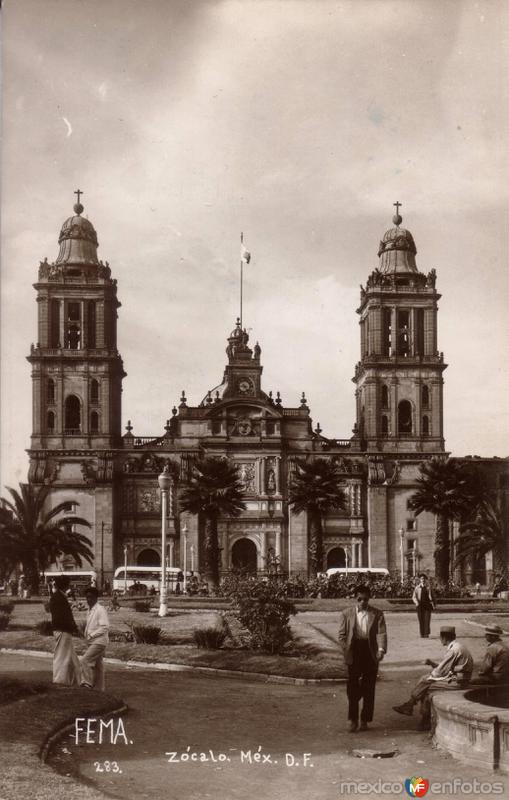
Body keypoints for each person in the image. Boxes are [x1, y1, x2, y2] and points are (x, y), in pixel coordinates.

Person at [393, 626, 473, 728]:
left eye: (440, 637)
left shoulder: (453, 650)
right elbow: (446, 667)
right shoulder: (457, 646)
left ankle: (415, 710)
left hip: (459, 681)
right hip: (458, 678)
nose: (440, 640)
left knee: (426, 686)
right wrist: (432, 664)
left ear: (444, 638)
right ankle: (417, 713)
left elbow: (441, 671)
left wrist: (431, 676)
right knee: (426, 682)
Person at [338, 583, 388, 732]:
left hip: (370, 651)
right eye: (360, 599)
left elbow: (382, 633)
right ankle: (352, 719)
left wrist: (380, 650)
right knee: (352, 687)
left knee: (369, 687)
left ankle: (365, 719)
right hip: (354, 651)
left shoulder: (377, 614)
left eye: (365, 599)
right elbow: (341, 635)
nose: (362, 602)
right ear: (355, 598)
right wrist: (346, 649)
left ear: (369, 599)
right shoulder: (346, 614)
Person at [49, 575, 81, 686]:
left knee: (72, 658)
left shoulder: (59, 596)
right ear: (65, 585)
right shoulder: (58, 598)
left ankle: (76, 680)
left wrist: (74, 627)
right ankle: (59, 680)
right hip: (62, 630)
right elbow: (61, 617)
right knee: (62, 657)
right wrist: (72, 627)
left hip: (63, 629)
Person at [81, 586, 109, 690]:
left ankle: (86, 684)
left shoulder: (100, 610)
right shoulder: (90, 610)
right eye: (87, 597)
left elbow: (105, 627)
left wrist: (91, 635)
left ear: (96, 598)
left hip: (99, 641)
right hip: (93, 642)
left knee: (85, 660)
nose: (89, 600)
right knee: (98, 666)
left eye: (91, 597)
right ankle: (100, 689)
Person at [412, 574, 435, 638]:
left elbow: (433, 596)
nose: (423, 580)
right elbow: (414, 597)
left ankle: (426, 633)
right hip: (420, 606)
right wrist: (416, 603)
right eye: (422, 579)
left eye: (424, 579)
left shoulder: (428, 587)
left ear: (426, 580)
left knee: (427, 620)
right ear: (420, 580)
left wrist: (434, 604)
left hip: (427, 606)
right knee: (421, 619)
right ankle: (422, 633)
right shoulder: (417, 588)